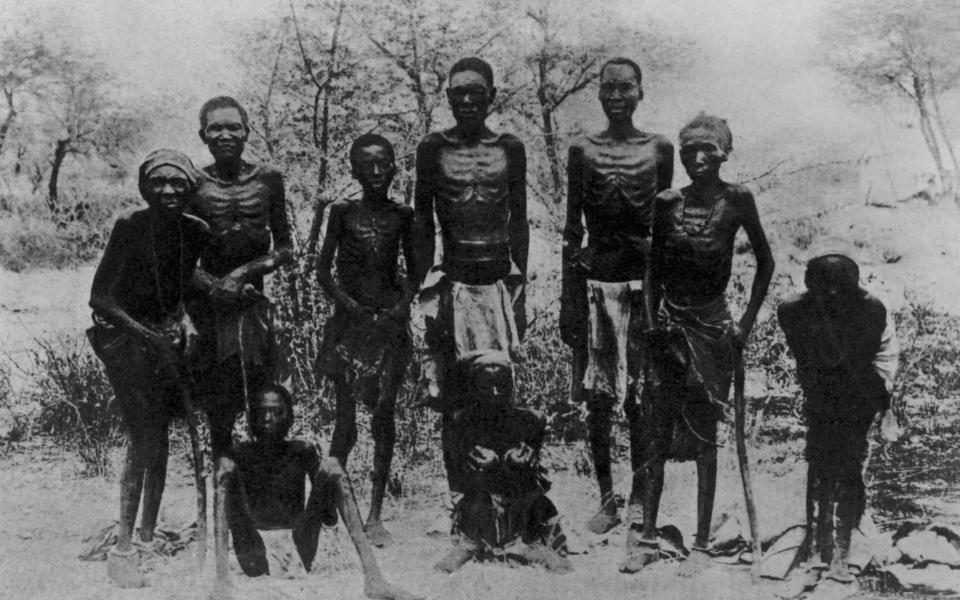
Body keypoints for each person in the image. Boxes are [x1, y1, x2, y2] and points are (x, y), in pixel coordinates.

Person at [632, 113, 774, 572]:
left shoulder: (738, 199)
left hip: (713, 329)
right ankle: (647, 538)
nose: (697, 158)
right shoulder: (667, 202)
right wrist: (653, 327)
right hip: (669, 327)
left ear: (724, 153)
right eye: (689, 149)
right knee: (655, 432)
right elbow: (652, 271)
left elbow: (765, 265)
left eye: (707, 149)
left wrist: (744, 326)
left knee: (704, 434)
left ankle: (700, 544)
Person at [561, 57, 674, 534]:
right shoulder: (582, 150)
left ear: (641, 91)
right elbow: (571, 230)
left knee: (642, 398)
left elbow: (666, 225)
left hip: (644, 286)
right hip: (596, 285)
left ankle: (641, 498)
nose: (616, 96)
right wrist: (569, 300)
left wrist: (664, 295)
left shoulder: (660, 149)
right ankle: (607, 499)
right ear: (598, 94)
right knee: (601, 398)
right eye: (608, 88)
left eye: (626, 87)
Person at [88, 149, 209, 587]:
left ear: (191, 188)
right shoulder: (129, 227)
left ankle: (147, 535)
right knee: (144, 437)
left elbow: (181, 287)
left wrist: (184, 322)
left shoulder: (196, 231)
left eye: (178, 183)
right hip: (124, 341)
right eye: (158, 183)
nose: (168, 191)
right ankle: (123, 546)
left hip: (164, 341)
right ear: (144, 187)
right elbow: (101, 297)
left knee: (162, 437)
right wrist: (146, 334)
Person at [412, 57, 529, 504]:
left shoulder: (510, 148)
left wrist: (521, 290)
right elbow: (423, 221)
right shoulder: (433, 148)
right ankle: (462, 503)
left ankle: (504, 499)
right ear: (447, 99)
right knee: (453, 398)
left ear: (490, 97)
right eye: (456, 93)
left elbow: (519, 220)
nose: (465, 101)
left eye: (474, 93)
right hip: (453, 282)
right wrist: (419, 289)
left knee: (500, 390)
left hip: (498, 283)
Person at [216, 383, 419, 600]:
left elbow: (328, 517)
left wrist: (326, 489)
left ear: (289, 417)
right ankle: (221, 581)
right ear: (253, 417)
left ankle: (374, 578)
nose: (268, 418)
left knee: (332, 465)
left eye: (276, 412)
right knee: (225, 467)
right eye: (263, 411)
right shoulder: (241, 453)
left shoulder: (302, 450)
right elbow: (233, 513)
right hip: (252, 546)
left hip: (300, 541)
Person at [315, 133, 416, 547]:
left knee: (384, 417)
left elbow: (414, 271)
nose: (376, 172)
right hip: (348, 327)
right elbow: (323, 271)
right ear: (354, 170)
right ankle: (327, 501)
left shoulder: (403, 214)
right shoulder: (341, 212)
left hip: (388, 329)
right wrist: (351, 306)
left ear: (394, 167)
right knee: (345, 424)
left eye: (383, 164)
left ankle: (375, 515)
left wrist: (399, 307)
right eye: (366, 165)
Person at [778, 252, 898, 585]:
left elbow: (859, 365)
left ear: (853, 291)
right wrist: (820, 403)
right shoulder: (792, 311)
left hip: (863, 385)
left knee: (848, 466)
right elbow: (812, 365)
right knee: (819, 464)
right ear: (811, 289)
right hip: (821, 388)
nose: (831, 299)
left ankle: (842, 551)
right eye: (824, 293)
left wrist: (881, 407)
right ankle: (818, 548)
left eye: (839, 294)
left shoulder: (871, 310)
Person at [187, 95, 293, 458]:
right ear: (203, 135)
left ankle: (259, 493)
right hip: (210, 311)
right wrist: (215, 287)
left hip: (253, 306)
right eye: (215, 127)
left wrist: (244, 273)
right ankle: (223, 497)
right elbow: (178, 257)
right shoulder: (193, 183)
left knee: (262, 401)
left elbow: (285, 247)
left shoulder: (268, 178)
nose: (225, 134)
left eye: (233, 126)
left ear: (248, 131)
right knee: (219, 406)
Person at [434, 351, 570, 574]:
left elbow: (538, 480)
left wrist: (522, 461)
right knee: (476, 499)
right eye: (486, 388)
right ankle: (469, 544)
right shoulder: (461, 423)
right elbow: (456, 479)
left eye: (502, 386)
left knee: (537, 499)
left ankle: (531, 543)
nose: (495, 394)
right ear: (473, 388)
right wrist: (476, 465)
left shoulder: (531, 420)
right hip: (478, 497)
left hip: (520, 496)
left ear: (512, 386)